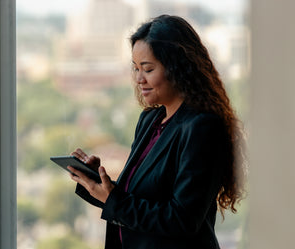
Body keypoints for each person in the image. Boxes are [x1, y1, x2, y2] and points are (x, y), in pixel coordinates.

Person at [67, 15, 246, 249]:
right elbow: (135, 200)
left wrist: (115, 200)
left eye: (148, 69)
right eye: (136, 68)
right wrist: (95, 182)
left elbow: (182, 219)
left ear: (177, 67)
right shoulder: (150, 120)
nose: (139, 79)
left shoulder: (202, 127)